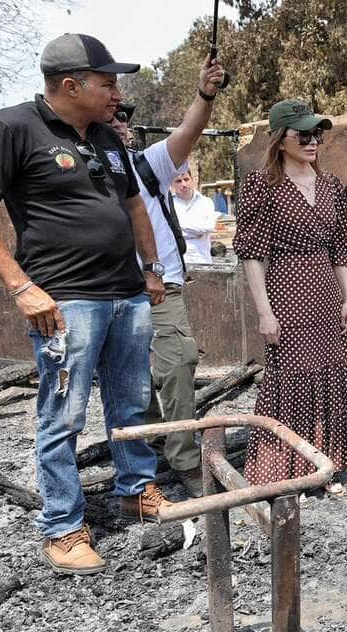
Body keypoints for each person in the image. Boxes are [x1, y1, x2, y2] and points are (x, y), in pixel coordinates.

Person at [0, 33, 170, 574]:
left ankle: (136, 490)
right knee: (62, 415)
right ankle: (63, 526)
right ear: (71, 85)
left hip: (126, 296)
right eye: (107, 82)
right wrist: (21, 287)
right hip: (65, 300)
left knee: (130, 402)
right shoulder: (11, 128)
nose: (116, 91)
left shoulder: (108, 137)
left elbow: (134, 205)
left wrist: (151, 270)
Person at [108, 56, 226, 497]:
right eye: (113, 117)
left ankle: (185, 460)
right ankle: (153, 444)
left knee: (177, 367)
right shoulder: (84, 172)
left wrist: (205, 93)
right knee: (129, 379)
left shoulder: (147, 164)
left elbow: (188, 133)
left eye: (125, 119)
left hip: (162, 289)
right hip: (109, 291)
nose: (120, 123)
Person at [233, 100, 347, 486]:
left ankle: (327, 465)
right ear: (280, 139)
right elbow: (252, 255)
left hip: (325, 291)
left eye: (317, 133)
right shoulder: (261, 185)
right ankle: (289, 470)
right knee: (291, 377)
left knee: (330, 374)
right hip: (286, 291)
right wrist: (264, 312)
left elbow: (340, 247)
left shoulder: (330, 185)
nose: (312, 141)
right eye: (303, 134)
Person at [171, 170, 219, 265]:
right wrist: (197, 231)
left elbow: (208, 227)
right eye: (179, 181)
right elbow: (167, 230)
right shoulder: (169, 204)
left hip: (202, 258)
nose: (184, 184)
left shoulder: (206, 202)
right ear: (172, 184)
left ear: (192, 180)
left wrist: (177, 225)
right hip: (178, 260)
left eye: (186, 179)